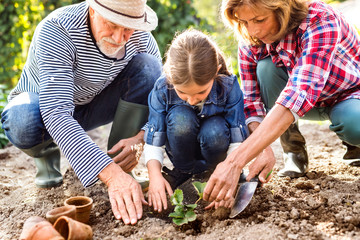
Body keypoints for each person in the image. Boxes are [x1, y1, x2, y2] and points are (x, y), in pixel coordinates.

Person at [1, 0, 162, 225]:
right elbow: (56, 112)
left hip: (94, 104)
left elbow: (162, 101)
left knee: (149, 68)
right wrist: (110, 176)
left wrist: (140, 138)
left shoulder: (141, 39)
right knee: (22, 121)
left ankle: (122, 163)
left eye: (127, 28)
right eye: (111, 25)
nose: (118, 38)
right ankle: (47, 157)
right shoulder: (58, 29)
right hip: (44, 109)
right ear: (93, 10)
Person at [203, 0, 360, 206]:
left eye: (260, 19)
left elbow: (298, 94)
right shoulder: (250, 37)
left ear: (282, 8)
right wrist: (262, 150)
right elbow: (252, 103)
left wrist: (234, 162)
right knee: (266, 70)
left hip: (347, 96)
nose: (254, 29)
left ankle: (353, 144)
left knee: (354, 124)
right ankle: (293, 149)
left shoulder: (320, 19)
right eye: (245, 21)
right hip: (303, 106)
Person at [143, 29, 248, 212]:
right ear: (169, 76)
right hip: (183, 154)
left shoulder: (229, 87)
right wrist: (154, 177)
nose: (192, 100)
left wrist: (231, 172)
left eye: (201, 92)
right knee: (180, 117)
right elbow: (154, 139)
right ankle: (184, 174)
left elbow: (237, 138)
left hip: (218, 152)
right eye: (182, 92)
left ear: (215, 72)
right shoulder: (161, 89)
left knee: (214, 131)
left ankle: (214, 175)